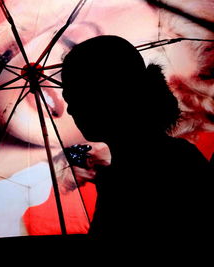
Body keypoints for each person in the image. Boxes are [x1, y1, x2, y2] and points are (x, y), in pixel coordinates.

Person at [61, 35, 213, 241]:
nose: (70, 109)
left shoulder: (162, 167)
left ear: (111, 94)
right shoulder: (165, 159)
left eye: (76, 94)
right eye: (68, 97)